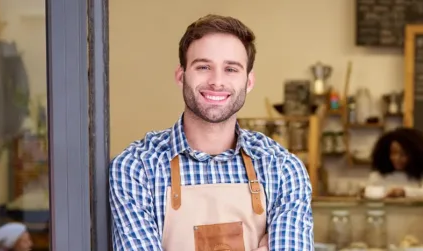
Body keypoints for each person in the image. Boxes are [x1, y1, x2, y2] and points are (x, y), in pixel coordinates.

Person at [109, 14, 313, 251]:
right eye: (204, 66)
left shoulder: (282, 168)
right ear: (181, 75)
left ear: (248, 81)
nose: (217, 81)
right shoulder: (136, 168)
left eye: (231, 69)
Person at [364, 128, 423, 198]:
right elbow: (369, 196)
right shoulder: (377, 176)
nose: (396, 158)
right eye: (393, 153)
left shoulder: (421, 176)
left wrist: (404, 192)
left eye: (403, 154)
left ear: (415, 155)